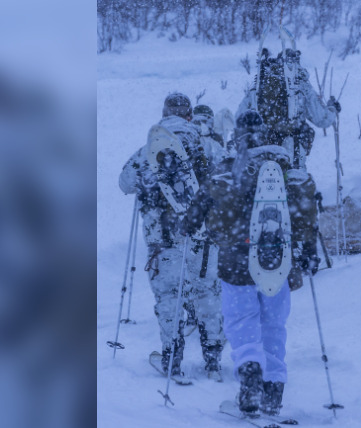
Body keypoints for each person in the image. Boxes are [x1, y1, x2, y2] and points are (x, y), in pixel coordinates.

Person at [182, 108, 319, 416]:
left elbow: (195, 213)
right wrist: (309, 250)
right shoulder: (285, 169)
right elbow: (306, 213)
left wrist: (189, 225)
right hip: (278, 263)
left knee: (242, 325)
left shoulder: (227, 169)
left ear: (237, 136)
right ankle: (273, 392)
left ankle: (250, 385)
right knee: (273, 327)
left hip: (236, 264)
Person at [118, 92, 226, 382]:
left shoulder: (149, 149)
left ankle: (173, 359)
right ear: (190, 115)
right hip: (203, 237)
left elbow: (125, 182)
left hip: (163, 240)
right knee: (206, 293)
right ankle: (213, 358)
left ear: (164, 114)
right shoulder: (207, 146)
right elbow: (228, 177)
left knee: (169, 297)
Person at [237, 46, 340, 171]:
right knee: (294, 183)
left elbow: (239, 118)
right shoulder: (300, 85)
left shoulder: (260, 84)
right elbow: (322, 119)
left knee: (262, 181)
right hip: (292, 149)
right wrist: (332, 109)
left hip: (261, 148)